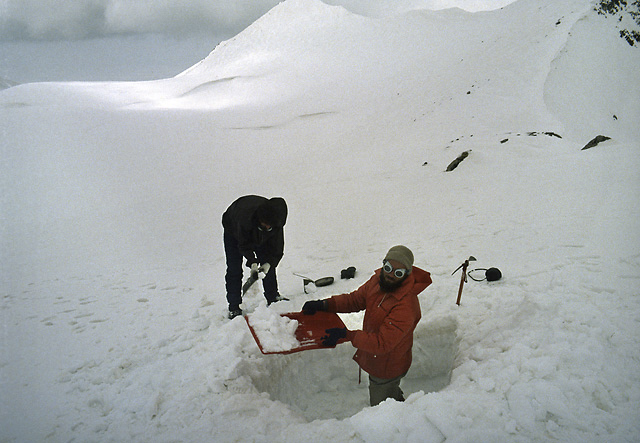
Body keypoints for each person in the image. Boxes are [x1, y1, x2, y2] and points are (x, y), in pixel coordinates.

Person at [302, 245, 432, 406]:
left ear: (406, 275)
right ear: (383, 264)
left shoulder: (406, 306)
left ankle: (394, 426)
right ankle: (399, 404)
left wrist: (347, 335)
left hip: (389, 365)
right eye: (388, 268)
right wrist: (325, 304)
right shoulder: (377, 281)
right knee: (391, 395)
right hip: (378, 357)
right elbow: (355, 299)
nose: (390, 275)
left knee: (382, 408)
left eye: (398, 273)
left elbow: (381, 343)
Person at [222, 195, 288, 319]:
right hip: (233, 229)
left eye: (270, 226)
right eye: (265, 224)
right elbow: (243, 244)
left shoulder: (276, 222)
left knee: (267, 261)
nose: (268, 227)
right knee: (234, 267)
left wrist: (268, 264)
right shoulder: (244, 219)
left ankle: (272, 296)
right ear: (260, 219)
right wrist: (252, 262)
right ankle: (234, 306)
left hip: (255, 230)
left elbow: (276, 249)